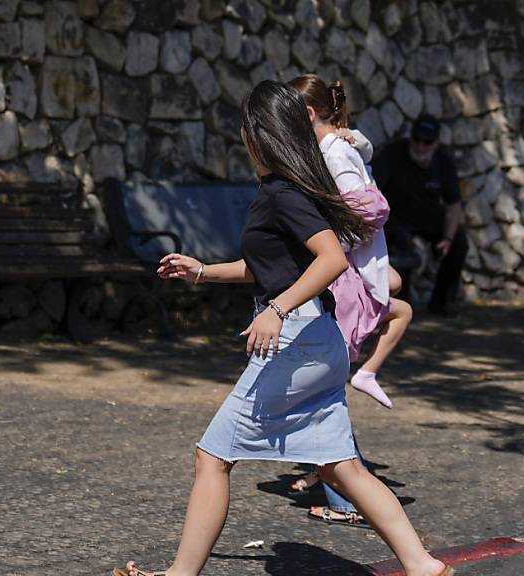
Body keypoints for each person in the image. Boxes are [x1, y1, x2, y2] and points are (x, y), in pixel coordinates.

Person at [114, 80, 453, 576]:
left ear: (260, 133)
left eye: (245, 127)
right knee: (343, 467)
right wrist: (203, 271)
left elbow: (331, 259)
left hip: (295, 341)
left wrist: (276, 309)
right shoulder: (292, 189)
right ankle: (424, 566)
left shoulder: (281, 192)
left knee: (212, 457)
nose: (241, 137)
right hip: (320, 341)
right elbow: (273, 266)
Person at [282, 73, 414, 527]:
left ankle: (344, 497)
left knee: (323, 392)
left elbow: (371, 207)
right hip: (351, 275)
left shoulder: (334, 151)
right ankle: (334, 485)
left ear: (309, 114)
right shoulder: (335, 147)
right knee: (324, 388)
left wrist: (329, 237)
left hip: (346, 280)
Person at [373, 114, 467, 316]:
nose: (421, 146)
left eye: (427, 142)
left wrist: (448, 238)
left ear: (436, 143)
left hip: (429, 218)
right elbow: (372, 190)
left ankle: (441, 301)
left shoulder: (444, 162)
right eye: (416, 140)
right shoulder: (392, 155)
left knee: (459, 242)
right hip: (396, 220)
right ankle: (400, 305)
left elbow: (453, 204)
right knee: (401, 245)